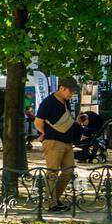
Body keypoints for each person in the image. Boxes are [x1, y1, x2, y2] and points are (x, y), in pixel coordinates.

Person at [34, 77, 79, 212]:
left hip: (67, 142)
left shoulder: (66, 102)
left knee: (68, 172)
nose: (71, 95)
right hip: (53, 142)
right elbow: (38, 121)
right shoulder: (48, 103)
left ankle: (55, 198)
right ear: (61, 88)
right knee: (52, 172)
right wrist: (46, 133)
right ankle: (50, 203)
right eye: (70, 92)